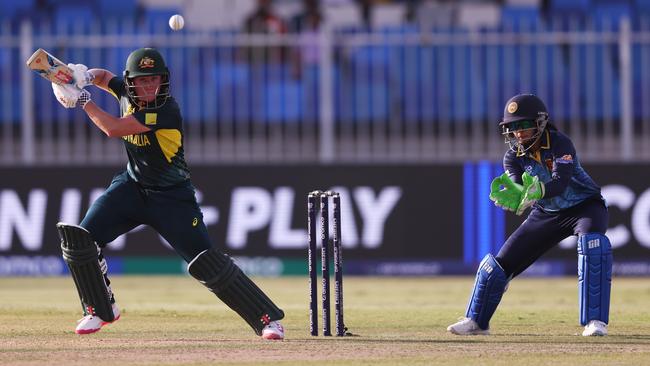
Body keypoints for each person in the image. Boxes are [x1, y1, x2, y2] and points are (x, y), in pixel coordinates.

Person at [50, 48, 285, 340]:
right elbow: (105, 77)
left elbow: (113, 128)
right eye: (143, 81)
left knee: (206, 261)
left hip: (173, 198)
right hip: (132, 188)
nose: (150, 86)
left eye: (155, 80)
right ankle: (99, 309)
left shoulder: (165, 110)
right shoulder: (125, 91)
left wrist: (82, 100)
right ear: (131, 82)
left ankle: (267, 319)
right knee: (80, 239)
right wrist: (83, 76)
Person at [446, 94, 612, 337]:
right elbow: (519, 187)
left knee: (593, 247)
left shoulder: (559, 143)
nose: (519, 133)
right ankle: (476, 322)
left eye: (524, 126)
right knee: (498, 266)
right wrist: (519, 196)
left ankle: (595, 321)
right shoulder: (512, 157)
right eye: (513, 128)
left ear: (540, 122)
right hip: (546, 212)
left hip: (585, 207)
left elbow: (561, 182)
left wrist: (539, 190)